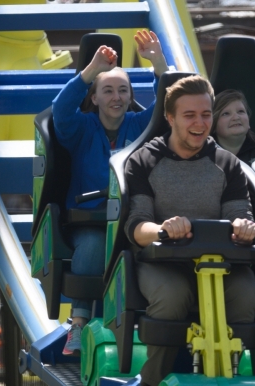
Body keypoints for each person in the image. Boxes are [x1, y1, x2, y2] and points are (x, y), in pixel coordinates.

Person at [124, 75, 255, 386]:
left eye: (204, 114)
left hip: (217, 264)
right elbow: (137, 226)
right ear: (170, 118)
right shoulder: (144, 161)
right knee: (172, 297)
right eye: (189, 115)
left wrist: (244, 228)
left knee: (245, 293)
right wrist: (163, 229)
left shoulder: (226, 163)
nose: (199, 123)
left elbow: (240, 215)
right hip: (163, 263)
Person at [52, 31, 168, 355]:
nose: (116, 97)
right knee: (92, 248)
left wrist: (158, 62)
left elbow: (169, 105)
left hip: (131, 219)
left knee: (144, 254)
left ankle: (138, 324)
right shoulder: (81, 129)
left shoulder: (140, 126)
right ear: (95, 98)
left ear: (130, 96)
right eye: (107, 91)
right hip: (89, 221)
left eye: (122, 90)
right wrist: (90, 70)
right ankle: (79, 322)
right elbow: (60, 110)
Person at [211, 90, 255, 164]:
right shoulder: (204, 155)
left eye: (240, 111)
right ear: (213, 124)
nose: (236, 117)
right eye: (226, 114)